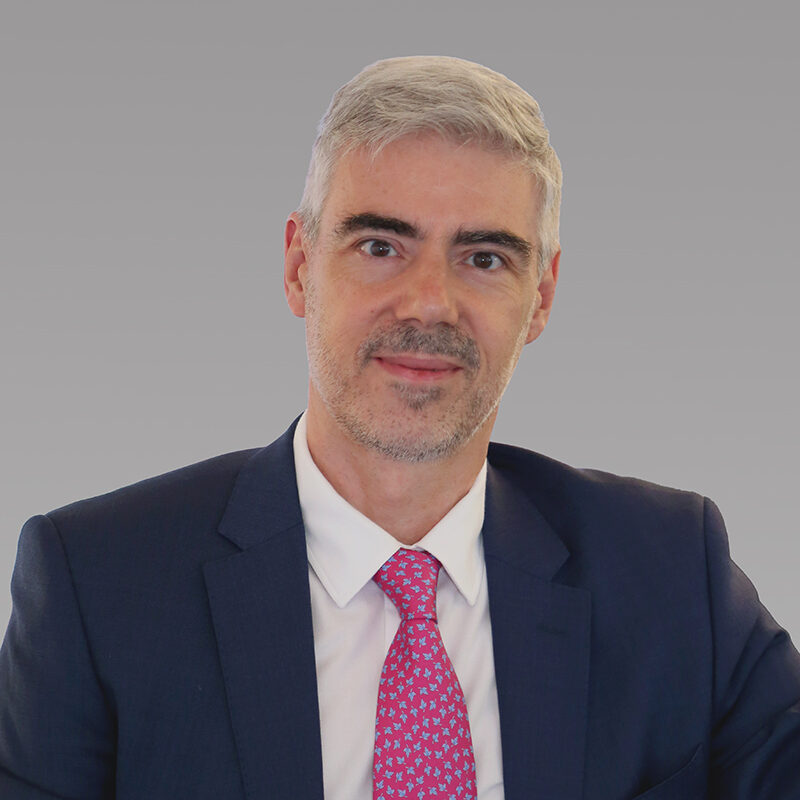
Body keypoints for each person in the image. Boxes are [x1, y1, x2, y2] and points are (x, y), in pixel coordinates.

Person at [1, 55, 798, 800]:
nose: (427, 303)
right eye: (381, 246)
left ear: (542, 298)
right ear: (299, 267)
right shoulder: (98, 585)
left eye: (484, 257)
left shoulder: (669, 570)